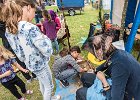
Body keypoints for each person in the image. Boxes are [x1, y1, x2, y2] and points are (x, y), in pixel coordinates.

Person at [1, 0, 60, 100]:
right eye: (34, 11)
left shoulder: (9, 29)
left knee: (43, 83)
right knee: (49, 86)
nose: (34, 14)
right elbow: (47, 50)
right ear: (28, 7)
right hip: (40, 64)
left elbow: (19, 54)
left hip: (30, 64)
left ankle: (51, 98)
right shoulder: (29, 27)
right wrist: (44, 37)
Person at [76, 30, 140, 100]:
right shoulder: (116, 52)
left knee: (80, 92)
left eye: (92, 52)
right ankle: (92, 93)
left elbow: (116, 98)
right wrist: (95, 70)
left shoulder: (119, 66)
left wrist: (104, 81)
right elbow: (108, 62)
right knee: (85, 76)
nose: (93, 54)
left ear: (100, 50)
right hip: (117, 84)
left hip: (127, 95)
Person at [0, 2, 36, 83]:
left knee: (21, 60)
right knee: (24, 59)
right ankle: (31, 75)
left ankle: (30, 76)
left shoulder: (8, 20)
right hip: (14, 42)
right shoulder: (10, 20)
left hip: (10, 43)